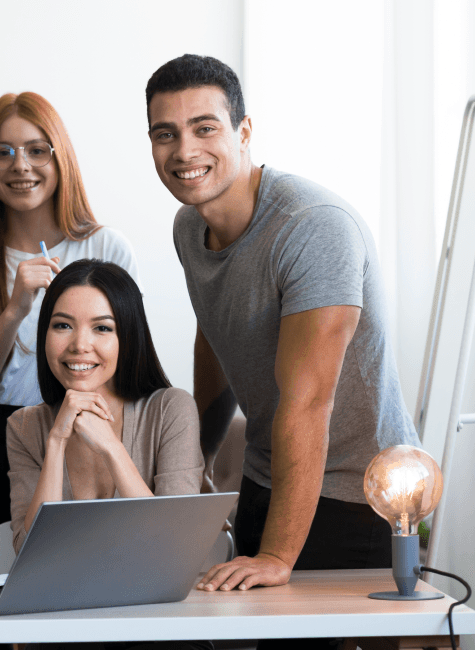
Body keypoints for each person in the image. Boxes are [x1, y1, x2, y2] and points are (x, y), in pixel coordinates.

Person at [144, 55, 421, 610]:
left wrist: (277, 557)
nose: (184, 151)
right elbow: (215, 334)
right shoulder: (189, 226)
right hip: (267, 476)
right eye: (165, 134)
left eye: (205, 128)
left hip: (353, 491)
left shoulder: (313, 228)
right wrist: (197, 455)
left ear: (244, 132)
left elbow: (309, 401)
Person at [0, 92, 140, 577]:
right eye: (4, 152)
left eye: (38, 150)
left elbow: (128, 373)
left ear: (61, 158)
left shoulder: (105, 248)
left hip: (72, 445)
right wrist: (15, 309)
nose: (21, 166)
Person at [6, 261, 209, 650]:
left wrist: (114, 449)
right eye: (62, 325)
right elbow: (27, 557)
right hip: (63, 624)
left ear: (127, 338)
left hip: (157, 625)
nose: (80, 344)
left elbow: (173, 554)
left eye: (102, 328)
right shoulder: (24, 426)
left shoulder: (171, 409)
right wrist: (57, 441)